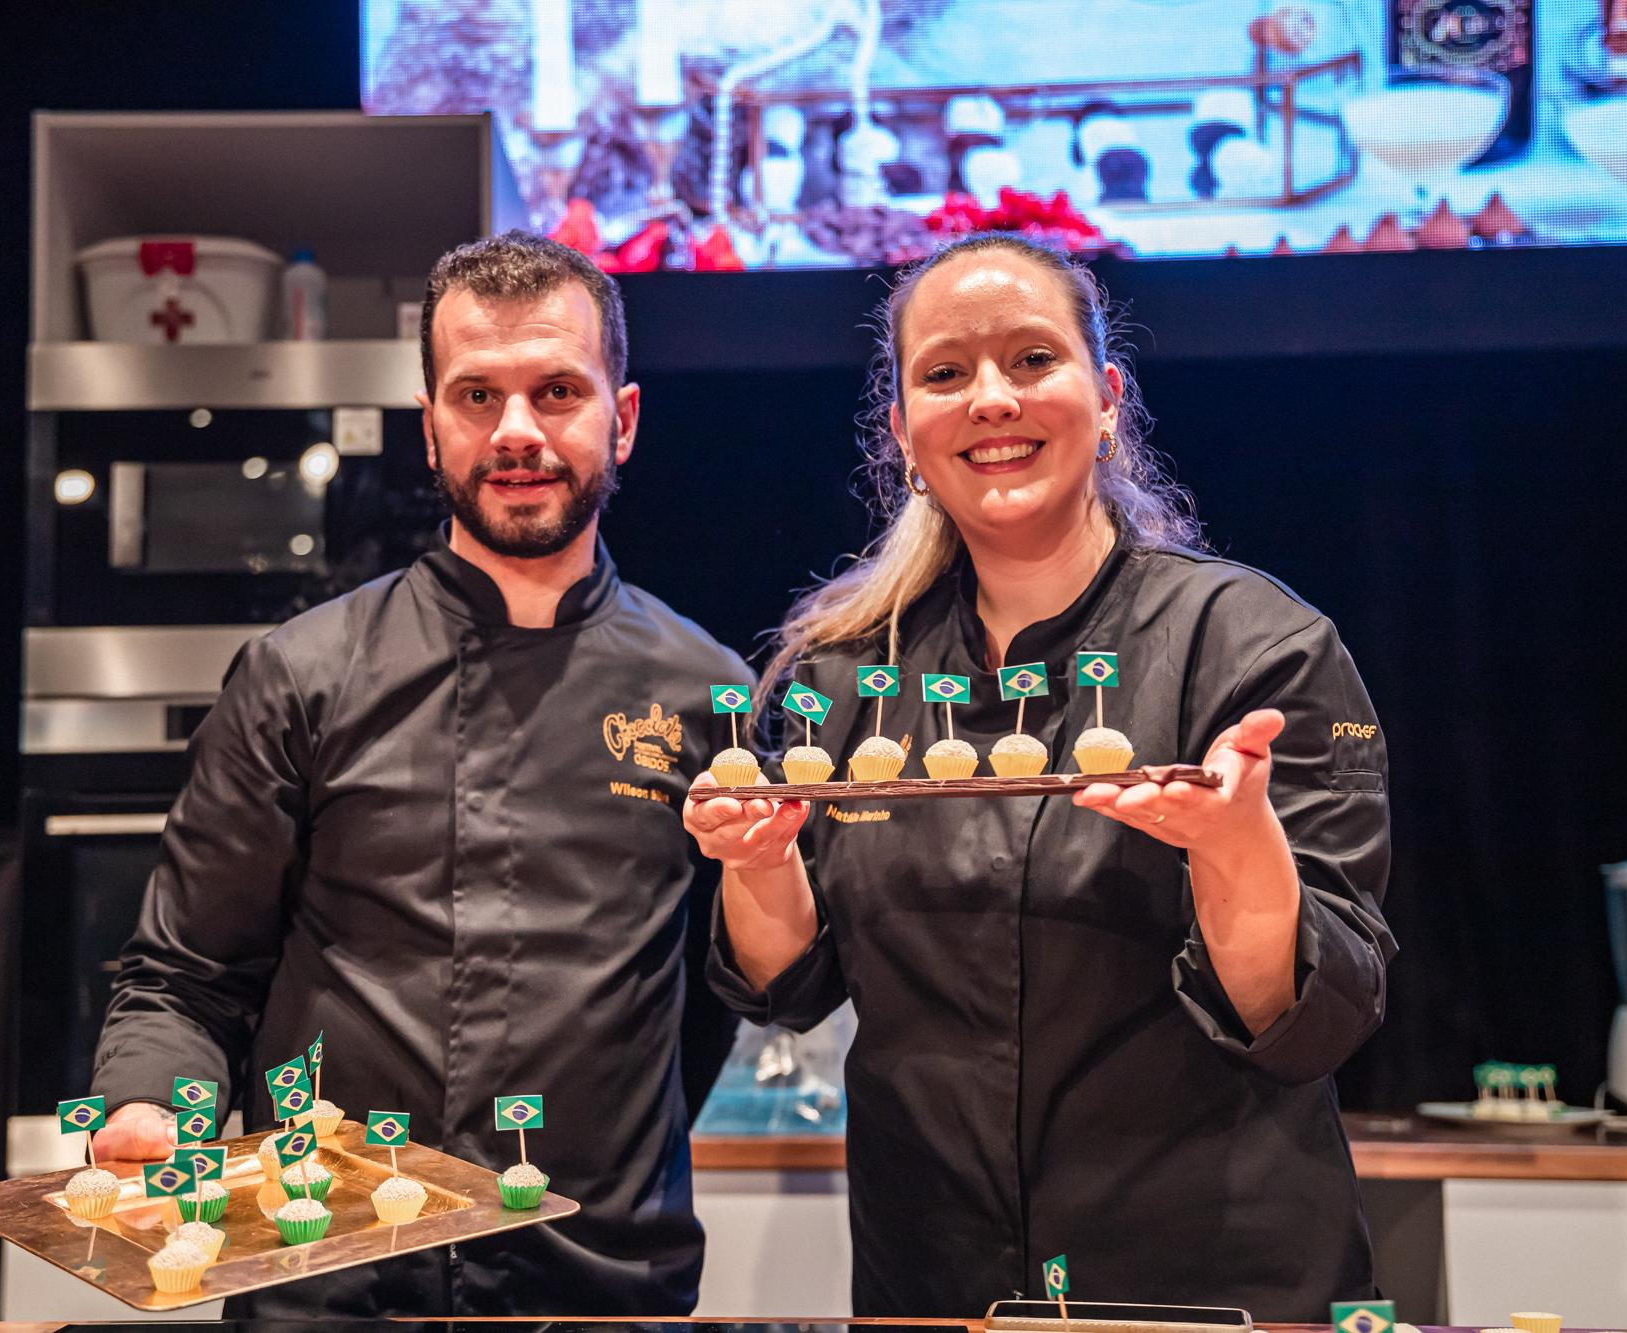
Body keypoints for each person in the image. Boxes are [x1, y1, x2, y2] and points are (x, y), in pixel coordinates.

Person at [685, 233, 1394, 1319]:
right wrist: (755, 860)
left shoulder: (1254, 645)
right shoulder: (840, 672)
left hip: (1208, 1283)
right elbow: (790, 986)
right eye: (944, 373)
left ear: (1106, 397)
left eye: (1029, 360)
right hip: (932, 1277)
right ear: (903, 435)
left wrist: (1233, 851)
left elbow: (1303, 1019)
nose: (989, 400)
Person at [90, 232, 744, 1317]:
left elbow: (712, 995)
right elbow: (185, 975)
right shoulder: (301, 674)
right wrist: (156, 1105)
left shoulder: (707, 692)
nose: (518, 432)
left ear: (619, 420)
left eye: (557, 391)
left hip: (602, 1289)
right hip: (326, 1283)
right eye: (477, 395)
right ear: (429, 421)